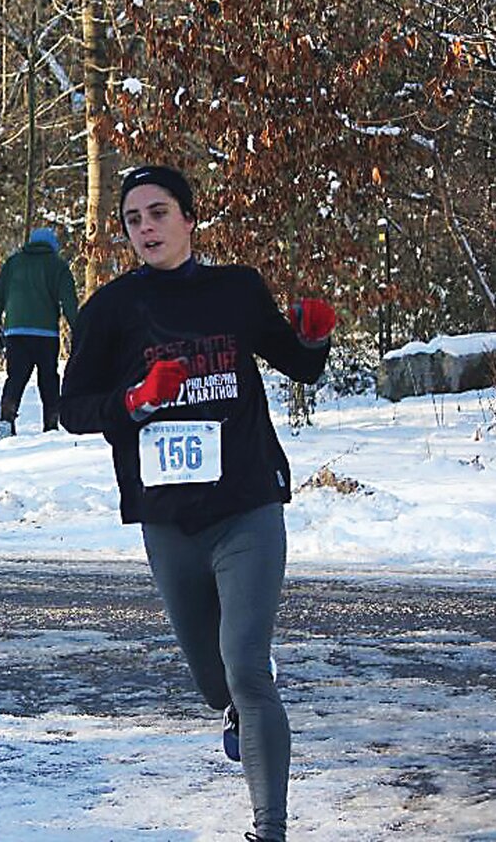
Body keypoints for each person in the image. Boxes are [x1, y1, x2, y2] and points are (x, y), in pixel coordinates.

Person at [59, 164, 335, 842]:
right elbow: (70, 409)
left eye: (158, 213)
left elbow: (299, 365)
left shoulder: (236, 290)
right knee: (217, 685)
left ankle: (269, 828)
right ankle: (237, 707)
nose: (146, 228)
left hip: (246, 504)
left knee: (246, 667)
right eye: (133, 220)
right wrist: (135, 400)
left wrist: (315, 333)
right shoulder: (111, 311)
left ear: (188, 218)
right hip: (169, 520)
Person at [0, 227, 79, 437]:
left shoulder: (13, 263)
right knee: (48, 378)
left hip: (16, 333)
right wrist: (78, 330)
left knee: (16, 377)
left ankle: (6, 420)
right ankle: (51, 423)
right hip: (46, 334)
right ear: (53, 246)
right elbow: (69, 302)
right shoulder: (58, 266)